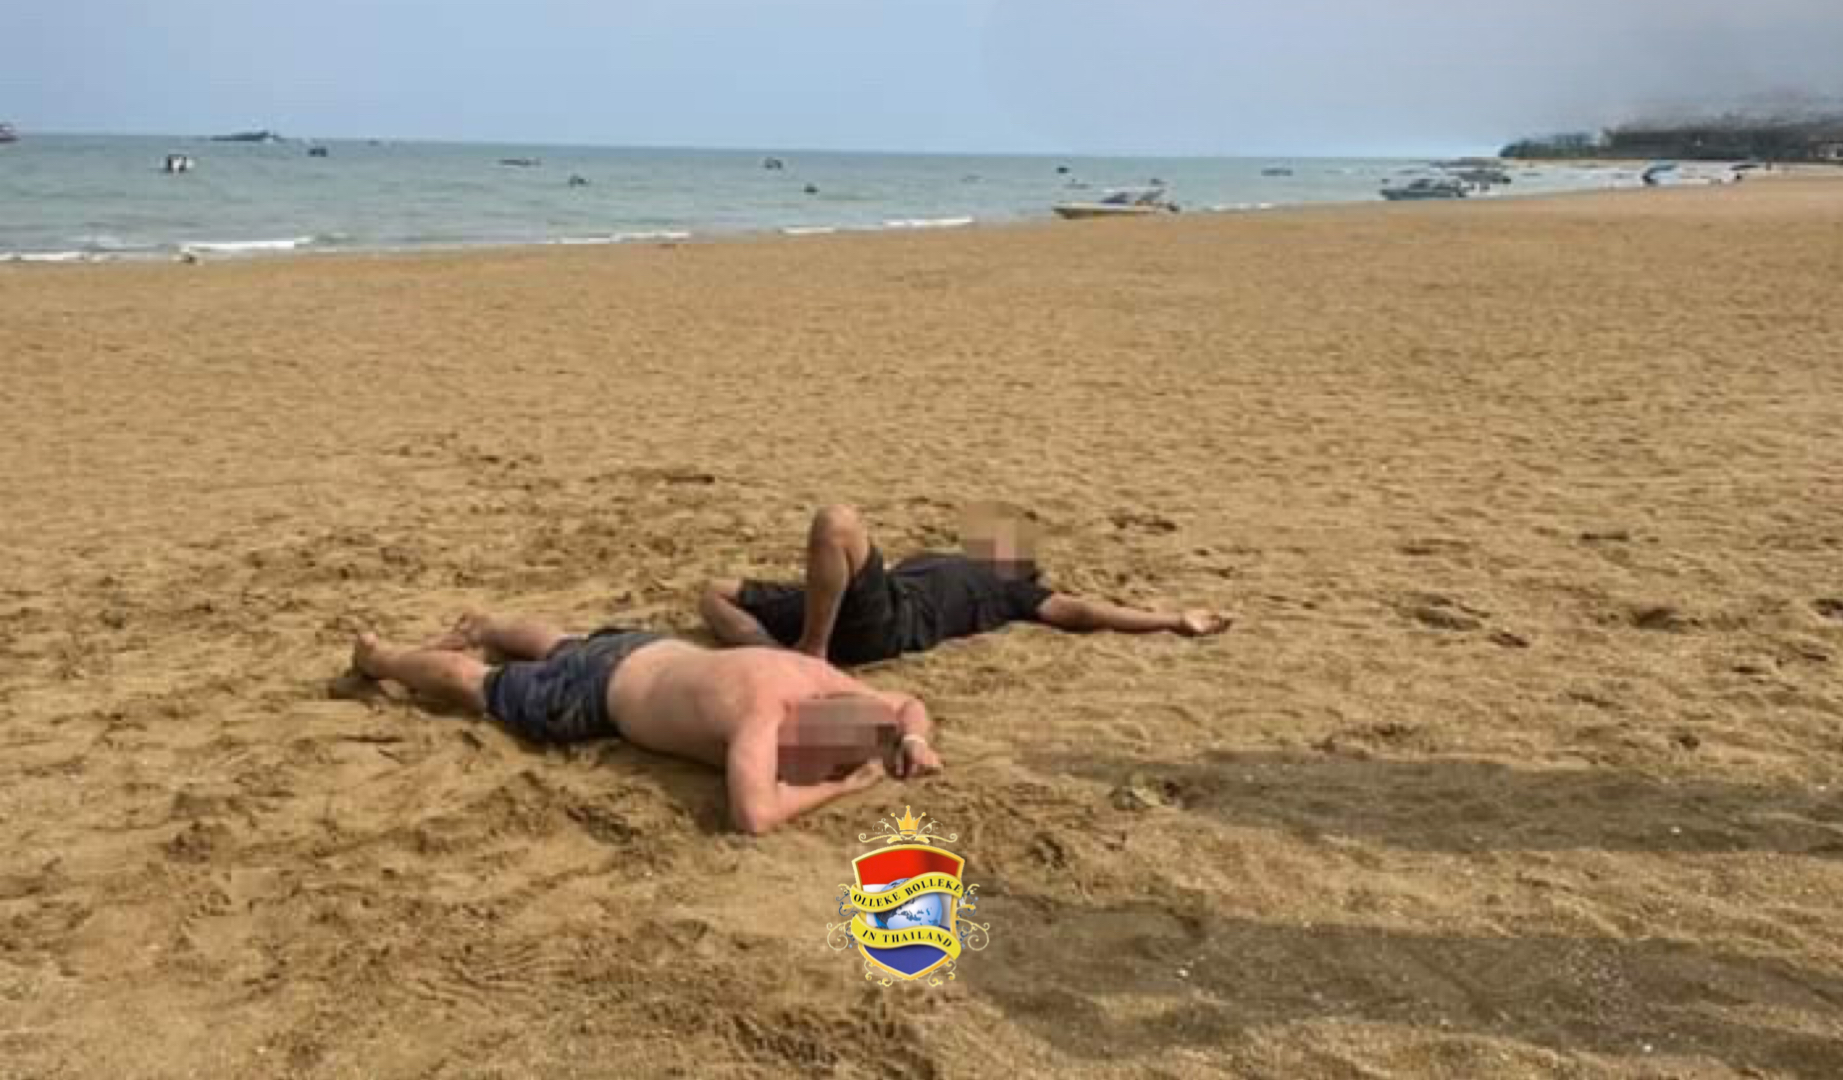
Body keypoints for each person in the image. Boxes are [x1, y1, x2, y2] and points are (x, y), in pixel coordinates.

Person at [345, 610, 940, 835]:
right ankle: (382, 661)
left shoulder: (819, 678)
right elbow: (754, 816)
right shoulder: (762, 719)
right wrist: (842, 786)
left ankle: (488, 626)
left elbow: (907, 702)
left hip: (646, 647)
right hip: (597, 696)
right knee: (478, 684)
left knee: (565, 643)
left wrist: (913, 739)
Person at [700, 503, 1231, 667]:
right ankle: (777, 658)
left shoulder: (1015, 589)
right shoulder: (957, 562)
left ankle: (811, 654)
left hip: (891, 622)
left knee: (836, 521)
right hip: (848, 604)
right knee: (714, 592)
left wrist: (1173, 621)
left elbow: (1081, 612)